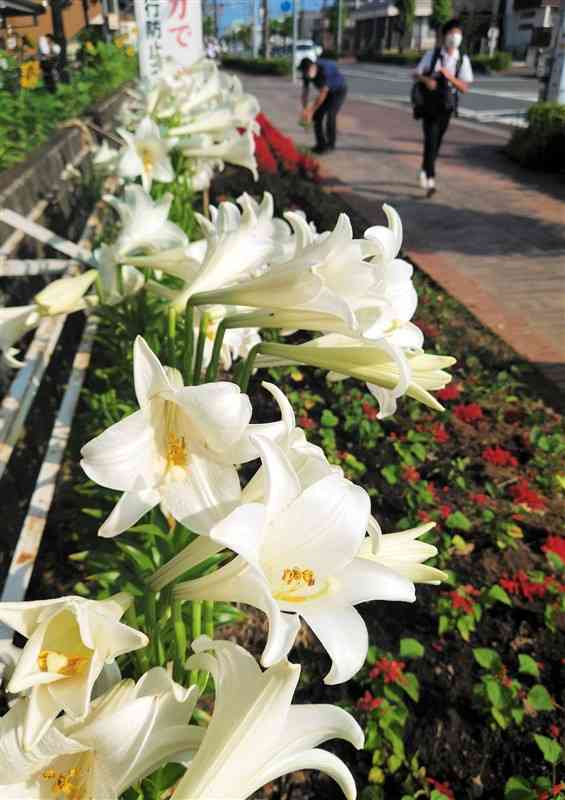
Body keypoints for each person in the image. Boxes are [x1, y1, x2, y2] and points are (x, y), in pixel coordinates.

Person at [414, 19, 473, 197]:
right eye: (452, 33)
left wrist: (449, 77)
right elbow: (416, 73)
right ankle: (431, 180)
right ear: (444, 35)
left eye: (458, 34)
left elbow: (464, 88)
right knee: (430, 140)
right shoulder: (432, 55)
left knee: (436, 142)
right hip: (429, 104)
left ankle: (424, 169)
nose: (455, 37)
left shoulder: (462, 59)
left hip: (447, 106)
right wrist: (428, 80)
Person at [300, 57, 347, 154]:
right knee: (317, 116)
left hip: (338, 91)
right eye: (305, 72)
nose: (307, 75)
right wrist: (305, 110)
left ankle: (330, 145)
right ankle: (320, 145)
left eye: (308, 72)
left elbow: (322, 95)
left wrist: (311, 110)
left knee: (330, 115)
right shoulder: (306, 74)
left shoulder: (324, 71)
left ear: (313, 67)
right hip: (327, 91)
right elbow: (305, 92)